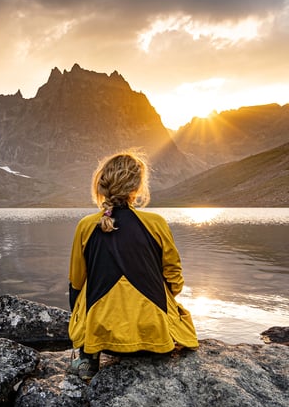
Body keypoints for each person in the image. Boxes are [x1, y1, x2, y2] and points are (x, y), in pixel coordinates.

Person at [67, 151, 198, 379]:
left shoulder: (86, 226)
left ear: (102, 185)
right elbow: (174, 277)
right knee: (166, 294)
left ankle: (88, 359)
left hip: (102, 339)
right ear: (136, 188)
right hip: (156, 339)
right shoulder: (156, 223)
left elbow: (76, 282)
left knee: (80, 289)